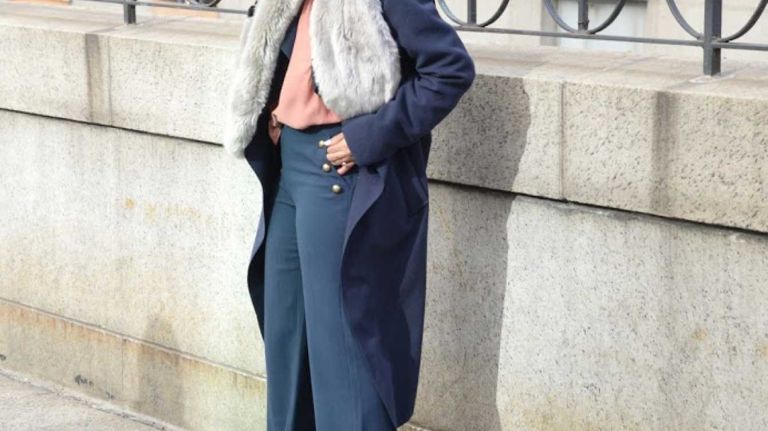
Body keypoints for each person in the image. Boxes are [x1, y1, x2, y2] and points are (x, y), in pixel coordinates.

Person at [222, 0, 475, 429]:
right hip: (290, 170)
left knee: (344, 347)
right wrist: (277, 110)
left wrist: (372, 135)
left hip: (337, 173)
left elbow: (450, 69)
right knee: (288, 341)